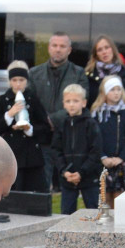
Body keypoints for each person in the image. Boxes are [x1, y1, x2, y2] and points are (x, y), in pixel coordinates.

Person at [29, 32, 87, 192]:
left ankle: (68, 216)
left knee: (69, 188)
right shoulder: (34, 73)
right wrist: (44, 121)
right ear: (49, 48)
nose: (58, 49)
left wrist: (53, 119)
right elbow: (30, 102)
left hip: (69, 137)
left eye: (62, 46)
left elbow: (83, 100)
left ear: (69, 50)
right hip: (42, 138)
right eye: (55, 45)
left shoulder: (79, 73)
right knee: (42, 184)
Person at [0, 60, 50, 192]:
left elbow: (45, 126)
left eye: (21, 80)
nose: (18, 84)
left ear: (26, 81)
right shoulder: (3, 100)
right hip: (11, 152)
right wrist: (9, 115)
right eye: (14, 80)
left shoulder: (33, 99)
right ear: (9, 81)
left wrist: (29, 129)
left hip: (31, 154)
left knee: (34, 190)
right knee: (13, 190)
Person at [50, 83, 101, 214]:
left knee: (93, 211)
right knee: (66, 213)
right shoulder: (62, 125)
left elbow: (95, 151)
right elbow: (56, 150)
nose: (71, 104)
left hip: (88, 177)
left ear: (83, 103)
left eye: (75, 101)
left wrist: (82, 172)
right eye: (68, 101)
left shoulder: (91, 124)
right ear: (63, 104)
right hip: (68, 178)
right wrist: (64, 171)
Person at [90, 75, 125, 205]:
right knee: (104, 196)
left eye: (118, 89)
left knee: (119, 197)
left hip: (120, 162)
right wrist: (102, 156)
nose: (116, 93)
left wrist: (121, 157)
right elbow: (93, 138)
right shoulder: (97, 112)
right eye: (112, 90)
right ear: (104, 92)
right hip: (101, 161)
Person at [84, 34, 125, 115]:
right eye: (99, 50)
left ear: (112, 49)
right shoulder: (89, 75)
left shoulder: (124, 74)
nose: (104, 52)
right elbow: (86, 105)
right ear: (96, 54)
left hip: (120, 121)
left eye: (107, 47)